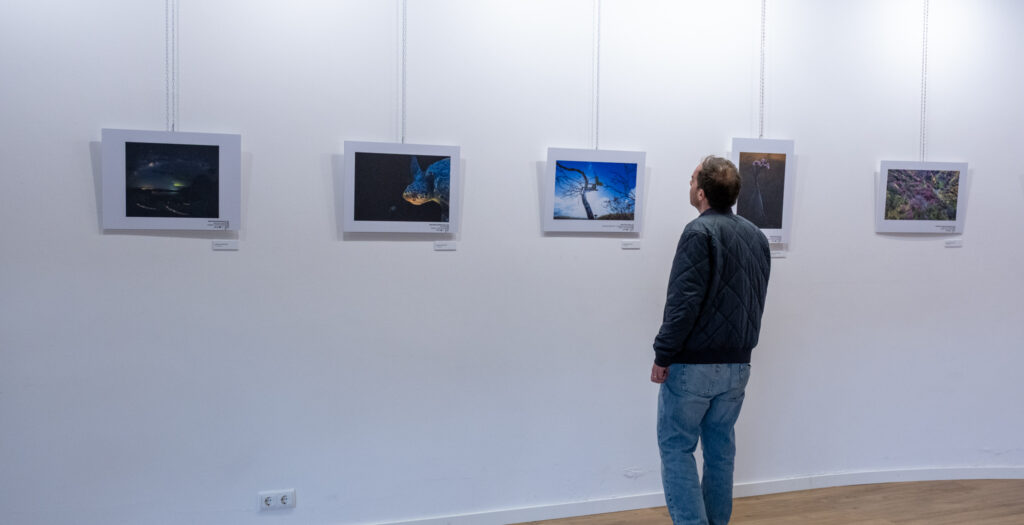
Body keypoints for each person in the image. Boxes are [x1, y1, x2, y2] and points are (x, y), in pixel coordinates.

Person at [651, 156, 771, 525]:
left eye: (691, 180)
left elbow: (682, 303)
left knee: (677, 448)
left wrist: (663, 354)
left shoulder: (697, 232)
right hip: (738, 366)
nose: (689, 186)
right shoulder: (756, 235)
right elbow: (757, 298)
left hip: (693, 367)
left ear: (701, 193)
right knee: (720, 451)